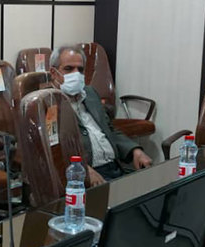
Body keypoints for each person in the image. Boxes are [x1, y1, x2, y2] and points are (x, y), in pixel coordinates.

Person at [49, 45, 153, 183]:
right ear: (54, 73)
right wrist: (82, 169)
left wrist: (135, 151)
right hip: (83, 175)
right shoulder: (47, 103)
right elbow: (51, 150)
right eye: (68, 69)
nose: (76, 74)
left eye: (80, 70)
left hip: (115, 168)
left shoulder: (90, 93)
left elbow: (109, 130)